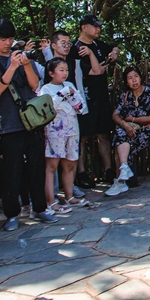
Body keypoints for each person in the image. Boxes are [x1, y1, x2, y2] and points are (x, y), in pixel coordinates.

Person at [0, 19, 53, 230]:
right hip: (9, 124)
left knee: (37, 166)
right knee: (12, 170)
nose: (8, 43)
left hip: (33, 120)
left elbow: (35, 85)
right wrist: (12, 66)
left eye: (10, 38)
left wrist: (26, 64)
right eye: (3, 39)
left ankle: (40, 208)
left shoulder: (20, 55)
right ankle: (12, 214)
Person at [68, 15, 116, 186]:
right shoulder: (76, 49)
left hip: (102, 97)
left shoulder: (98, 44)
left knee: (103, 134)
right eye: (94, 26)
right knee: (83, 137)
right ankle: (81, 173)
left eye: (99, 26)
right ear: (83, 27)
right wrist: (91, 57)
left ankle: (109, 171)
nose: (98, 29)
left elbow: (114, 48)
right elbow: (96, 71)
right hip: (84, 99)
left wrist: (114, 54)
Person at [38, 58, 88, 213]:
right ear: (51, 73)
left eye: (66, 70)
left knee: (70, 163)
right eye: (61, 70)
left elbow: (81, 107)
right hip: (55, 131)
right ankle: (51, 201)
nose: (65, 73)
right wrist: (61, 94)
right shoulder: (46, 89)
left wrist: (73, 96)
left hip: (72, 128)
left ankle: (69, 196)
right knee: (52, 165)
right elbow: (48, 107)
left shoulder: (70, 85)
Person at [106, 66, 150, 197]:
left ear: (140, 78)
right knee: (120, 134)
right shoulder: (125, 96)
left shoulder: (149, 93)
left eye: (136, 76)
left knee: (120, 139)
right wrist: (125, 124)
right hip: (130, 130)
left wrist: (134, 119)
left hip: (148, 130)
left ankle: (121, 180)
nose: (134, 80)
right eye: (130, 78)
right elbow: (115, 114)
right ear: (126, 82)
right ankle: (124, 169)